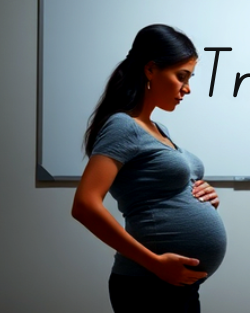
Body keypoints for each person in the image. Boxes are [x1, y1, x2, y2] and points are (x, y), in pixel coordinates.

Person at [71, 24, 227, 313]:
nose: (187, 88)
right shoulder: (122, 126)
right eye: (181, 76)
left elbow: (163, 189)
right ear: (150, 70)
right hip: (148, 285)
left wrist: (205, 196)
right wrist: (155, 263)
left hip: (176, 285)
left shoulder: (158, 128)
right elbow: (84, 205)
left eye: (189, 78)